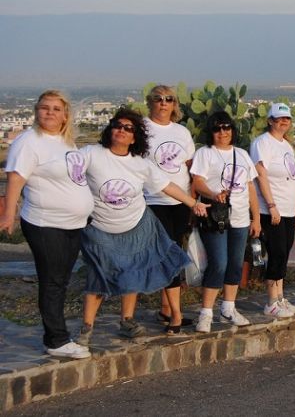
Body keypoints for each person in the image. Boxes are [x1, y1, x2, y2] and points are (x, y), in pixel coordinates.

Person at [78, 109, 208, 342]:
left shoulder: (139, 164)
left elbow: (166, 185)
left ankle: (127, 321)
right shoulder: (92, 154)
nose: (121, 130)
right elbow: (69, 173)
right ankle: (86, 329)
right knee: (99, 276)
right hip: (100, 227)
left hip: (135, 226)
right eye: (118, 125)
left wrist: (192, 203)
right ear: (110, 129)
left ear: (135, 137)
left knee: (132, 272)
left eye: (128, 128)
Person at [0, 90, 94, 358]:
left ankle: (57, 336)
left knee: (60, 281)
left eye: (56, 108)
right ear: (36, 111)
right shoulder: (29, 142)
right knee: (52, 281)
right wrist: (9, 214)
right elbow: (16, 178)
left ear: (65, 114)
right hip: (45, 223)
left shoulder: (65, 142)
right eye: (45, 108)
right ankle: (56, 340)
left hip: (72, 224)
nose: (50, 112)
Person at [191, 112, 260, 332]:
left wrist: (256, 217)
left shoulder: (241, 154)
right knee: (218, 263)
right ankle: (206, 312)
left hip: (240, 216)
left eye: (227, 127)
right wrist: (212, 194)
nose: (223, 132)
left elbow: (250, 187)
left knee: (236, 264)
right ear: (211, 132)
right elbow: (197, 182)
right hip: (216, 216)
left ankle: (228, 307)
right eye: (217, 128)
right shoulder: (205, 153)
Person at [142, 84, 195, 330]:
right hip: (154, 199)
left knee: (175, 250)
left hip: (181, 200)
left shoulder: (182, 132)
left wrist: (192, 199)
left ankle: (166, 308)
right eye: (158, 98)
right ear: (150, 102)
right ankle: (175, 313)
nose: (163, 103)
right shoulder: (142, 128)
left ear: (175, 104)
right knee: (167, 254)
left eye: (169, 99)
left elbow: (190, 165)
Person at [251, 103, 295, 318]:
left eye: (287, 118)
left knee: (284, 253)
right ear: (270, 120)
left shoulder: (286, 146)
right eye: (279, 118)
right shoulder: (262, 143)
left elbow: (293, 177)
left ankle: (281, 298)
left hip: (288, 208)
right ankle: (271, 301)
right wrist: (271, 205)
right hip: (271, 209)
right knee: (276, 252)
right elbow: (260, 175)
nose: (283, 122)